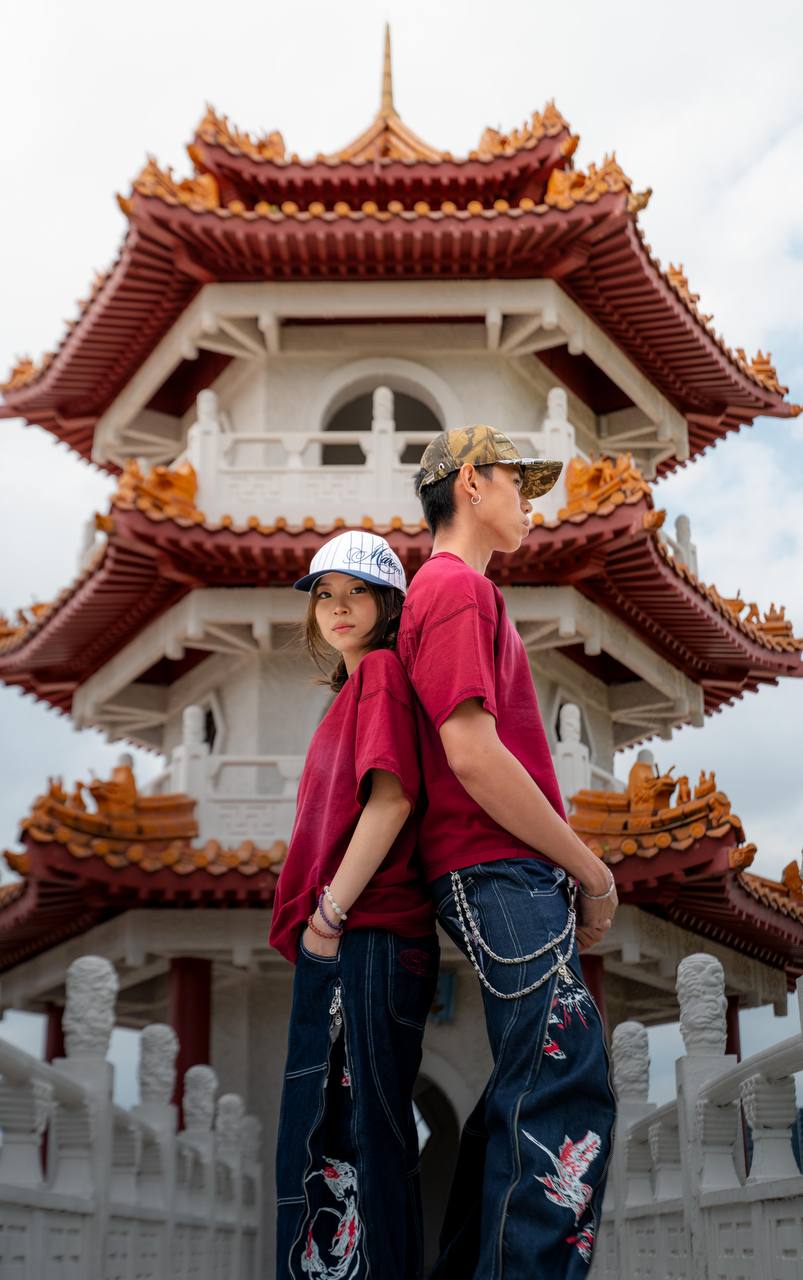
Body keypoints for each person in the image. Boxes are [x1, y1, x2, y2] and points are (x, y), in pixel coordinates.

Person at [397, 426, 618, 1279]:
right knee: (566, 1080)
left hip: (492, 871)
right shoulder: (458, 589)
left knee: (518, 1096)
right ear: (470, 483)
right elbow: (473, 755)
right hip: (495, 868)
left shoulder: (445, 590)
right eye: (517, 482)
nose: (529, 502)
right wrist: (590, 871)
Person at [270, 529, 439, 1280]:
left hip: (365, 933)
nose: (338, 607)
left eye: (358, 592)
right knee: (351, 1137)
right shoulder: (357, 685)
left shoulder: (378, 674)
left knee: (355, 1141)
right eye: (324, 595)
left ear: (389, 603)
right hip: (358, 937)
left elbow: (391, 800)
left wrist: (328, 916)